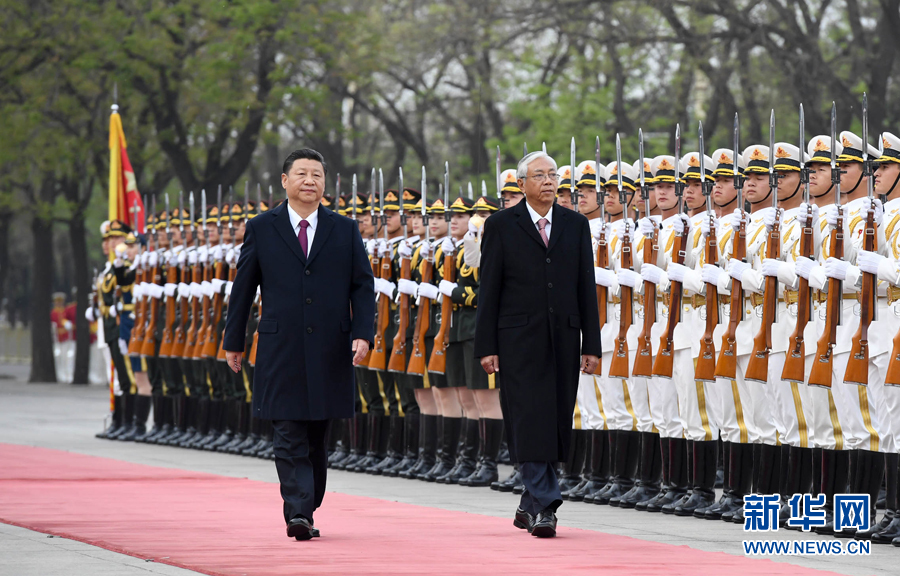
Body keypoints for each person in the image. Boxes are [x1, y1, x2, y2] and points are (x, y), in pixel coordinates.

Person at [223, 148, 375, 542]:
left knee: (317, 436)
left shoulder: (344, 229)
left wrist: (363, 333)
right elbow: (243, 289)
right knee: (287, 428)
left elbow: (362, 285)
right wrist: (233, 341)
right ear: (285, 181)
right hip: (281, 345)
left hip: (330, 344)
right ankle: (298, 511)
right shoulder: (261, 227)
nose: (310, 181)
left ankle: (308, 501)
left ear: (326, 184)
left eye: (318, 175)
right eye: (302, 174)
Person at [474, 150, 601, 538]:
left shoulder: (575, 225)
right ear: (522, 183)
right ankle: (546, 504)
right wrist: (486, 345)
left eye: (553, 175)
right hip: (517, 340)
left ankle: (529, 502)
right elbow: (489, 290)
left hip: (564, 335)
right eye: (540, 175)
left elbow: (585, 286)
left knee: (556, 417)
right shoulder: (500, 225)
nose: (548, 181)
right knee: (528, 417)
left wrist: (591, 345)